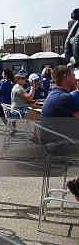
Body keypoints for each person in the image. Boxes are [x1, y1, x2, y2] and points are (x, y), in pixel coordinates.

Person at [39, 66, 79, 201]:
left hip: (52, 143)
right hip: (56, 145)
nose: (75, 79)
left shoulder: (54, 94)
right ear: (66, 77)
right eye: (73, 76)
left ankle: (77, 183)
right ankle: (77, 184)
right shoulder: (64, 98)